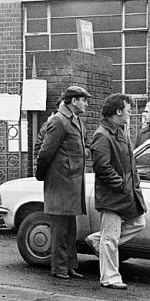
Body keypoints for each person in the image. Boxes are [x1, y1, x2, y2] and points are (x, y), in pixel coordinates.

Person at [84, 94, 147, 290]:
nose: (130, 113)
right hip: (113, 194)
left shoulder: (118, 130)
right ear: (118, 111)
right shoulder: (103, 135)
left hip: (124, 192)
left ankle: (97, 240)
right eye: (128, 110)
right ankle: (109, 277)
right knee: (110, 237)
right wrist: (120, 184)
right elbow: (101, 167)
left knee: (138, 222)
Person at [35, 86, 90, 280]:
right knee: (60, 228)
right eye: (83, 100)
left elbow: (82, 147)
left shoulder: (75, 120)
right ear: (73, 101)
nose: (86, 104)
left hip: (71, 182)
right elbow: (45, 152)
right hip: (61, 182)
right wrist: (41, 174)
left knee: (70, 227)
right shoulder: (59, 121)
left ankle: (69, 265)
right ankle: (59, 267)